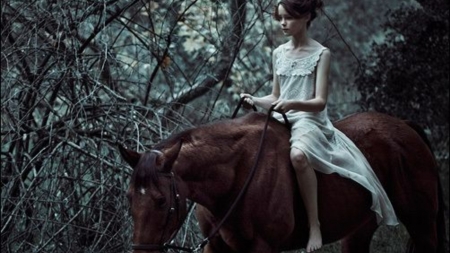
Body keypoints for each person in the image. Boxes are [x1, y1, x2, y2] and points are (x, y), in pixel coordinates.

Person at [240, 0, 399, 252]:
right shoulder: (278, 53)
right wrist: (254, 100)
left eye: (288, 18)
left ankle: (314, 226)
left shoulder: (321, 53)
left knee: (299, 155)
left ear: (306, 18)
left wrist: (291, 103)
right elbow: (274, 95)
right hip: (281, 118)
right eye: (280, 18)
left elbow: (320, 102)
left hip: (309, 120)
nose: (282, 23)